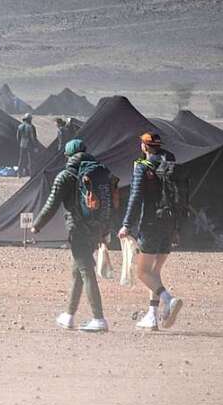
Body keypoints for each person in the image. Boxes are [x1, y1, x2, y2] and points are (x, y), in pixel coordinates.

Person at [31, 138, 110, 333]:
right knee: (78, 271)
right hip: (95, 228)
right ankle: (69, 315)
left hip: (78, 229)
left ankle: (99, 319)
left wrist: (37, 226)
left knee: (86, 271)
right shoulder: (98, 171)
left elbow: (52, 204)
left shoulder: (65, 176)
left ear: (67, 156)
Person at [118, 132, 183, 330]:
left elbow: (135, 198)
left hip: (150, 224)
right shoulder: (170, 166)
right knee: (155, 273)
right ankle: (152, 317)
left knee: (142, 272)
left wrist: (126, 225)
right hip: (169, 224)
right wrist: (177, 227)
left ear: (144, 147)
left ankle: (168, 299)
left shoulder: (142, 167)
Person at [16, 113, 38, 177]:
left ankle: (19, 174)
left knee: (21, 159)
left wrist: (20, 143)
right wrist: (35, 146)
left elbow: (18, 137)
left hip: (22, 145)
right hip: (30, 145)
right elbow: (33, 138)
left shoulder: (20, 126)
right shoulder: (31, 127)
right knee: (31, 160)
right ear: (29, 119)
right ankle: (31, 174)